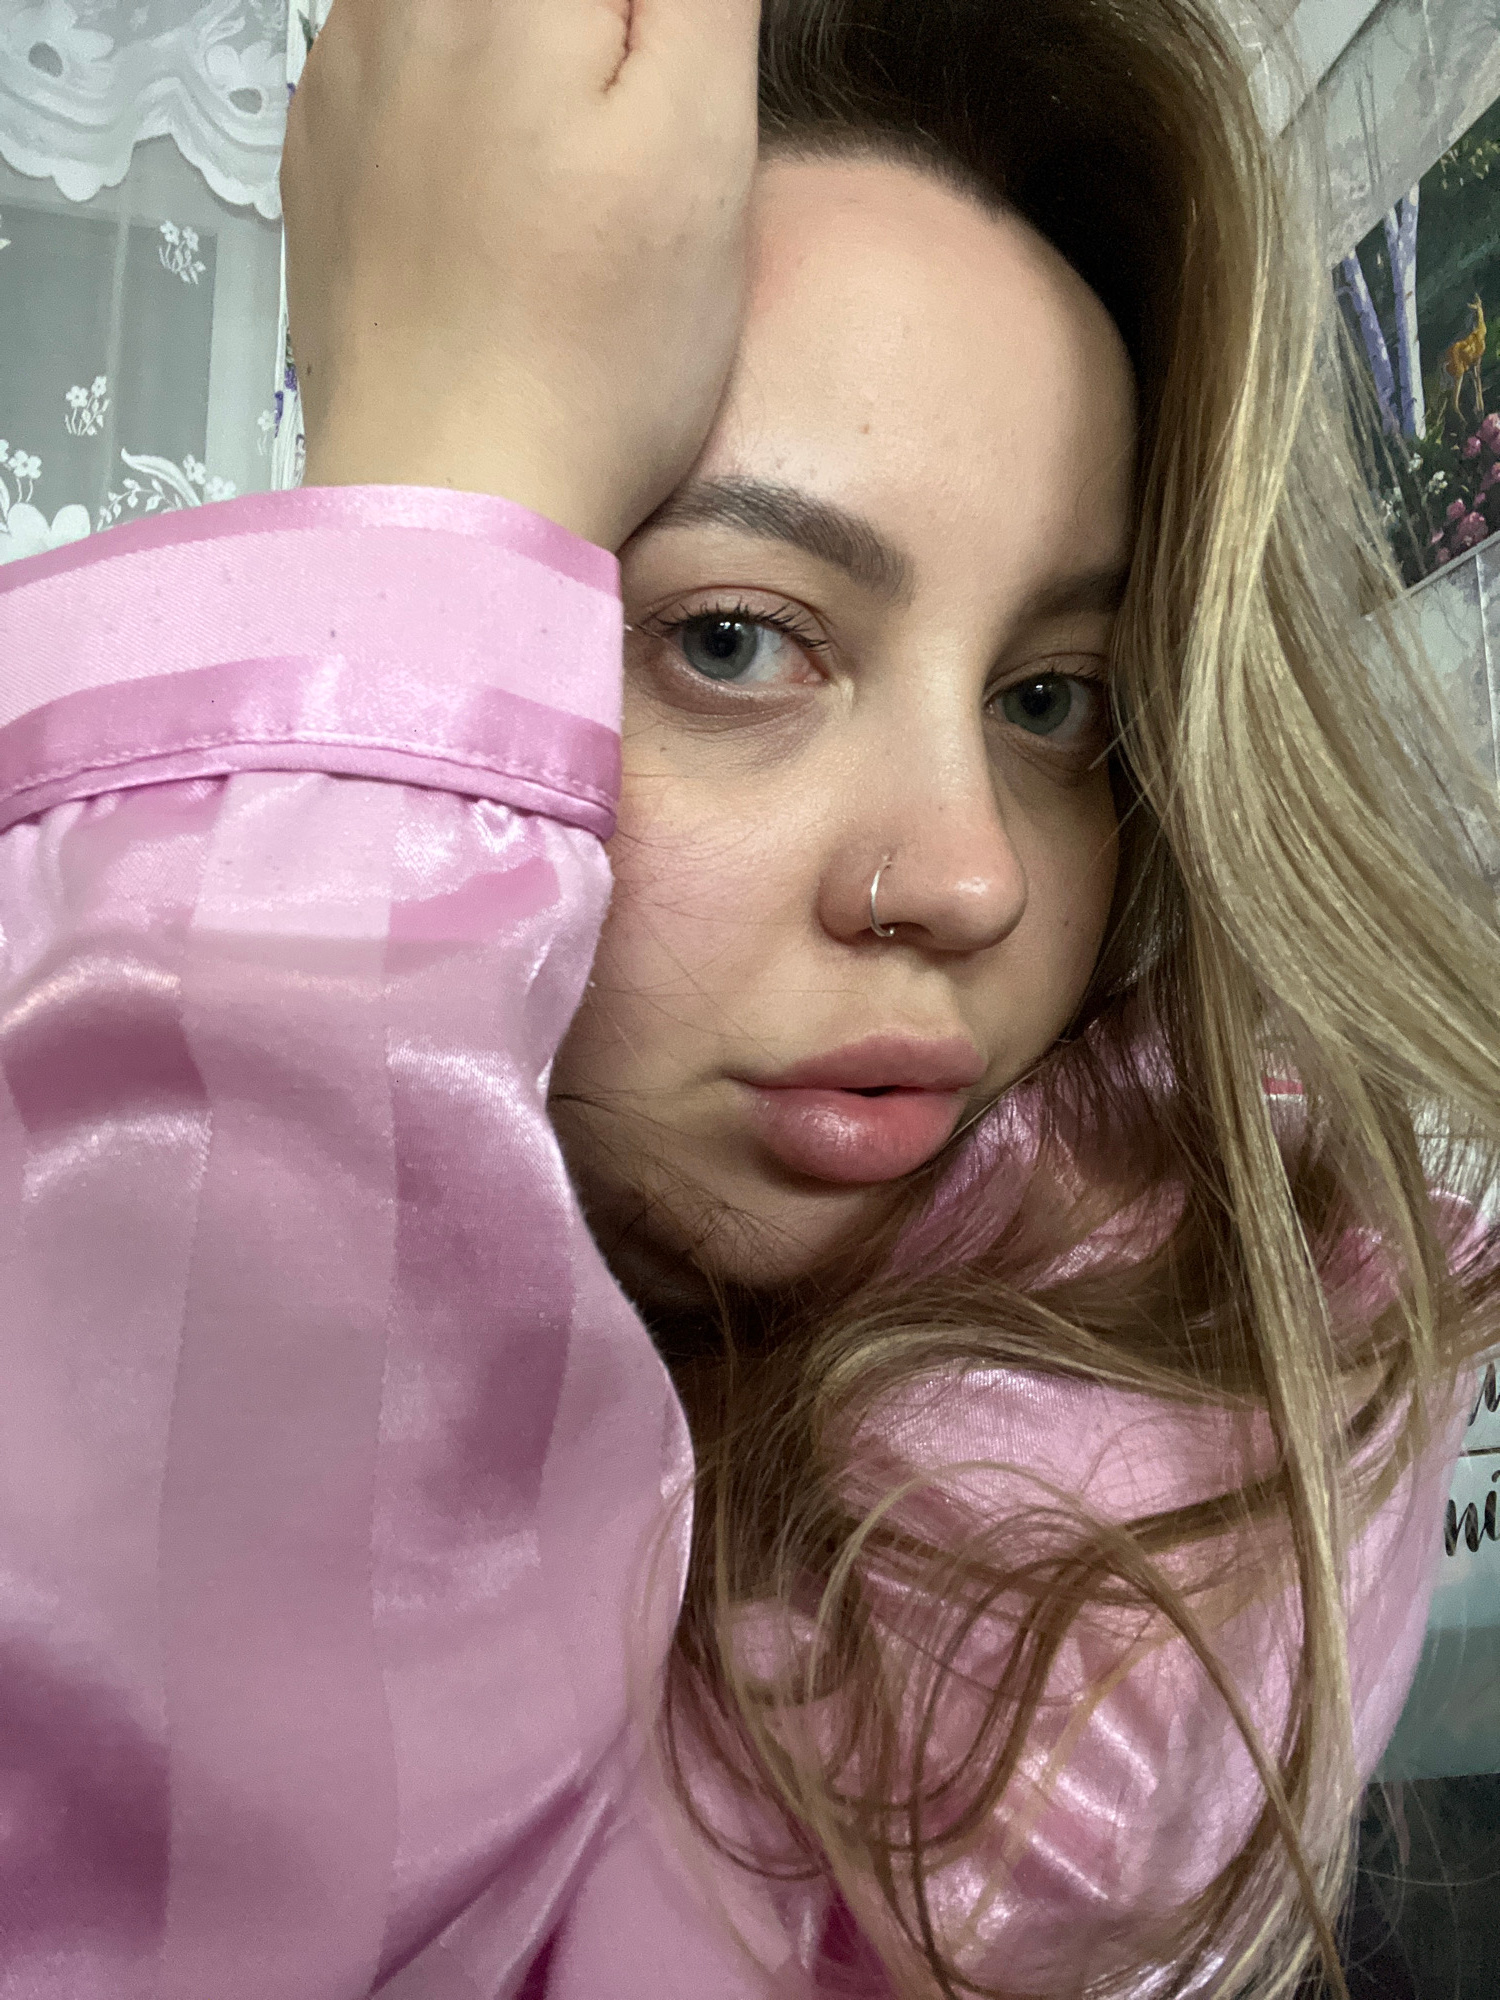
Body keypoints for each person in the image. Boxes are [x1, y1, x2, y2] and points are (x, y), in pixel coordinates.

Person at [0, 0, 1496, 1994]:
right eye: (734, 640)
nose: (969, 875)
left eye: (1051, 698)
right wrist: (429, 507)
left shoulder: (1154, 1532)